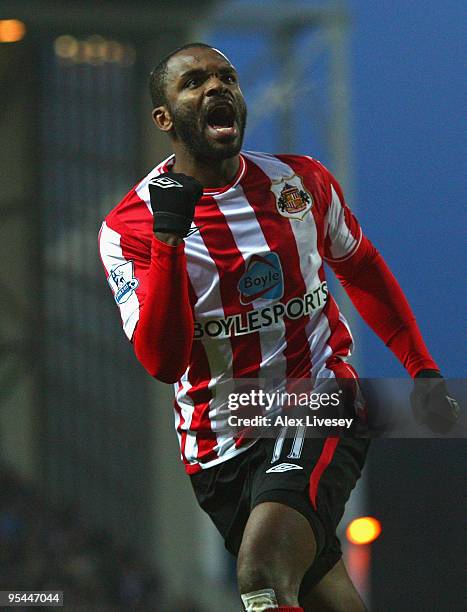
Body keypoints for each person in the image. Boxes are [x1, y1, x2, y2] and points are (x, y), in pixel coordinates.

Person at [98, 43, 460, 612]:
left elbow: (360, 266)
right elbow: (163, 362)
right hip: (217, 441)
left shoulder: (300, 182)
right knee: (323, 597)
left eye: (227, 77)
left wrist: (421, 367)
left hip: (315, 396)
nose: (216, 87)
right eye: (194, 82)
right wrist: (169, 239)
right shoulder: (130, 228)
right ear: (164, 119)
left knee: (262, 576)